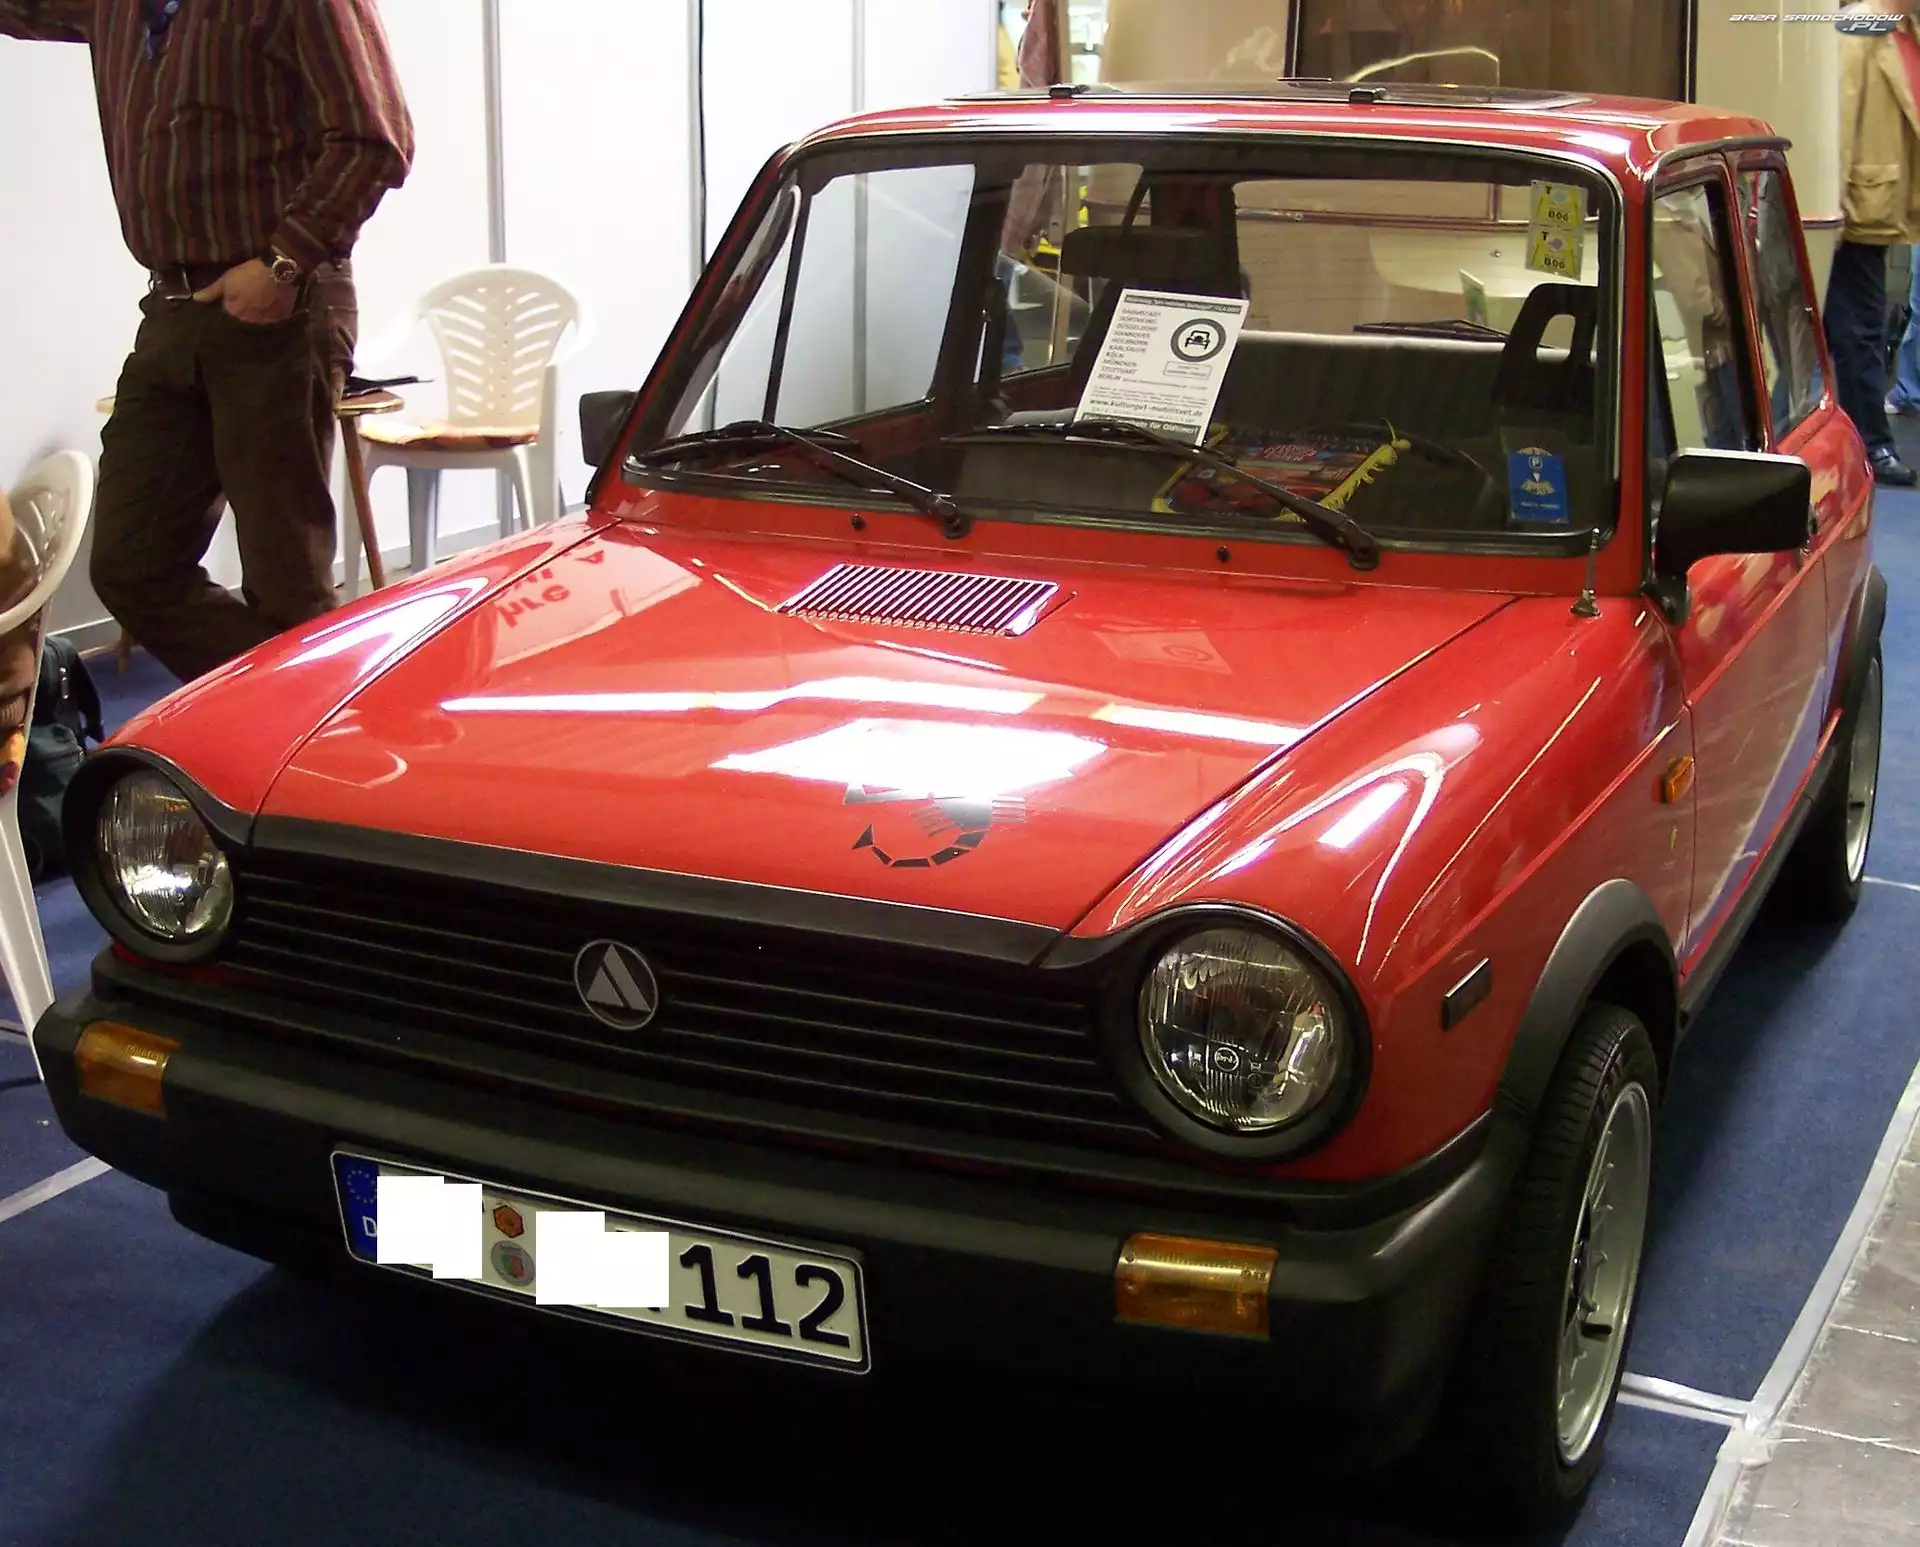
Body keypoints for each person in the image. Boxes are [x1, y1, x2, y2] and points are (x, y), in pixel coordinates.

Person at [0, 1, 414, 682]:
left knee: (287, 583)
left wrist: (283, 264)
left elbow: (375, 138)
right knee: (133, 567)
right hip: (172, 307)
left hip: (279, 307)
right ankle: (294, 699)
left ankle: (310, 725)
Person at [1828, 2, 1920, 485]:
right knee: (1858, 330)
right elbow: (1840, 123)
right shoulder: (1859, 28)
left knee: (1855, 326)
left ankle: (1863, 441)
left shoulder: (1906, 30)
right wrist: (1834, 205)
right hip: (1860, 208)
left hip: (1885, 206)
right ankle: (1871, 445)